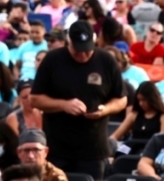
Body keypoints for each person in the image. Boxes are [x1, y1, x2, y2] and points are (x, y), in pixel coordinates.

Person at [30, 20, 127, 180]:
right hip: (58, 146)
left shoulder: (107, 61)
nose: (83, 55)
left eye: (87, 51)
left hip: (93, 148)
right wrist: (63, 105)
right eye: (78, 50)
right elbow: (35, 99)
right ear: (69, 42)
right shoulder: (52, 60)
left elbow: (121, 99)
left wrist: (105, 109)